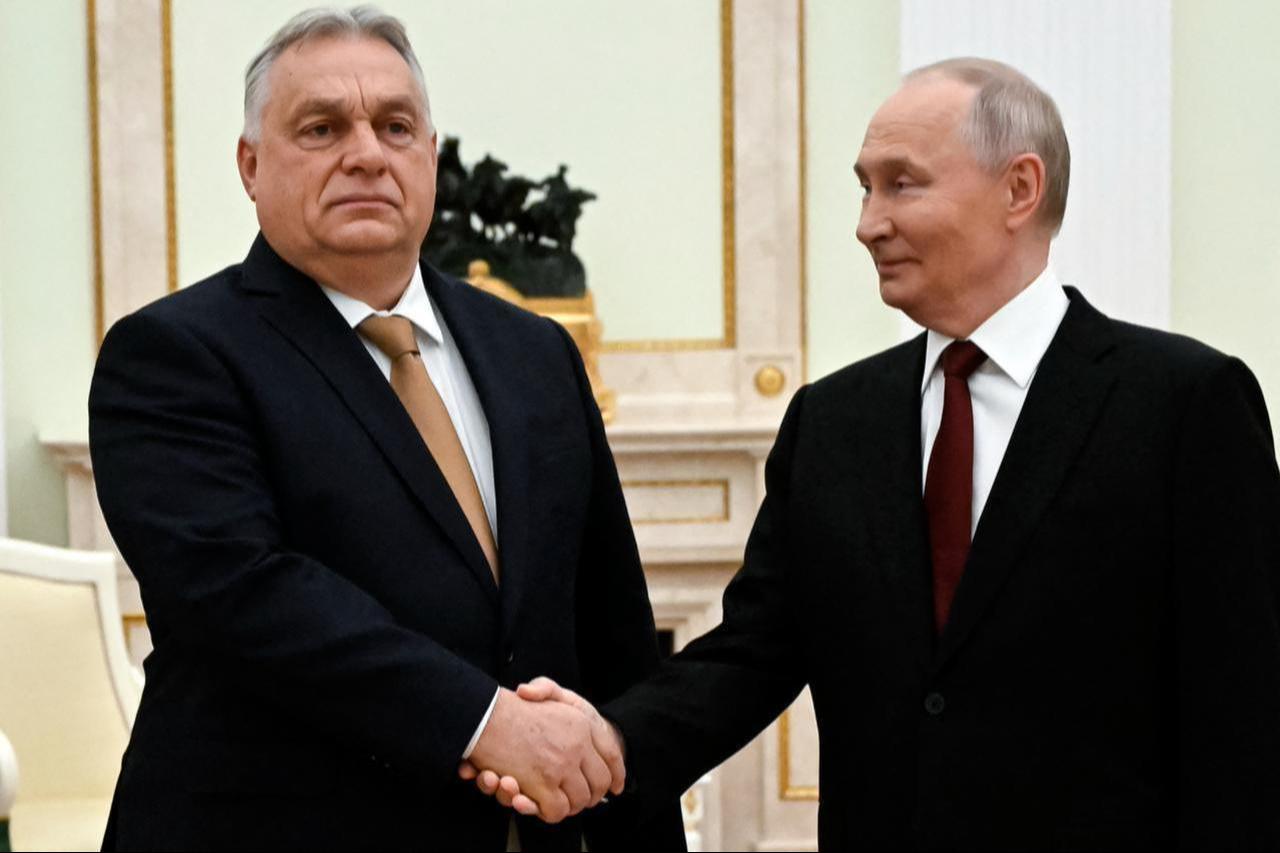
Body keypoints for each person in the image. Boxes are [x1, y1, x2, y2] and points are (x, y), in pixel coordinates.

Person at [470, 58, 1280, 849]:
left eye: (902, 182)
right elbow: (751, 654)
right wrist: (610, 740)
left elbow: (1242, 717)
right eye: (864, 185)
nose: (867, 223)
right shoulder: (832, 421)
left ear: (1020, 188)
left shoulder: (1184, 405)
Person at [88, 6, 683, 850]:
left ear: (430, 158)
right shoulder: (174, 355)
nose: (365, 151)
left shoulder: (534, 350)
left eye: (395, 125)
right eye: (322, 127)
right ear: (251, 165)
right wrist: (488, 722)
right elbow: (246, 595)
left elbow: (611, 627)